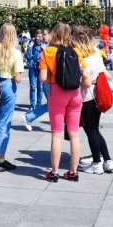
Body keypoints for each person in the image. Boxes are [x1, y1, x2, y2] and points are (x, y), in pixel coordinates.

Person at [39, 22, 91, 182]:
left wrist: (54, 78)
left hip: (57, 94)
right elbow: (87, 78)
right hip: (75, 95)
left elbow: (42, 78)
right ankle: (73, 172)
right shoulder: (76, 51)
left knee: (57, 134)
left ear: (54, 34)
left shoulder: (47, 51)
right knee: (74, 134)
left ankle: (54, 172)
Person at [72, 27, 113, 175]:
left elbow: (86, 81)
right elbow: (105, 72)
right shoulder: (96, 53)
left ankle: (97, 163)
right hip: (98, 94)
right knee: (95, 129)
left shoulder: (82, 58)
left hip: (87, 96)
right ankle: (108, 161)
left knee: (90, 130)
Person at [0, 23, 24, 172]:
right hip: (7, 85)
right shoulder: (15, 52)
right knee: (4, 123)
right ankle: (0, 158)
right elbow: (18, 78)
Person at [22, 29, 48, 131]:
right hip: (33, 67)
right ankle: (32, 105)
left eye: (40, 36)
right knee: (33, 86)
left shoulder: (45, 45)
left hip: (41, 68)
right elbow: (27, 56)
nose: (38, 38)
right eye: (37, 36)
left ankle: (38, 104)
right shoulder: (30, 44)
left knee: (40, 87)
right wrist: (31, 54)